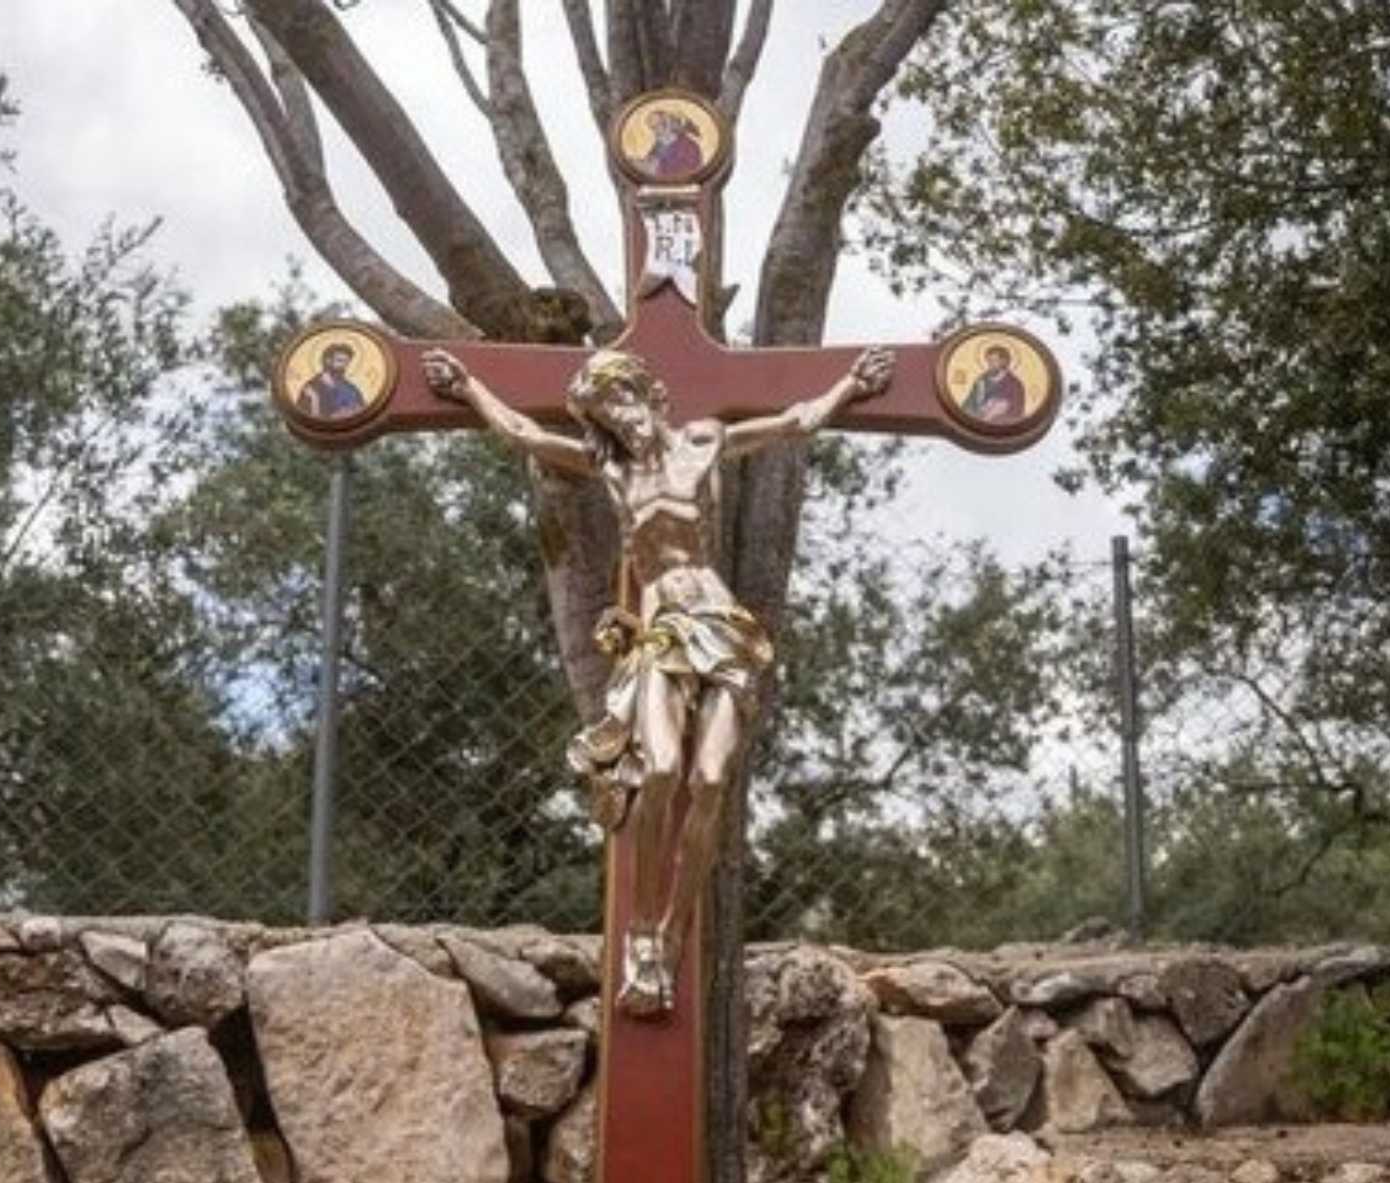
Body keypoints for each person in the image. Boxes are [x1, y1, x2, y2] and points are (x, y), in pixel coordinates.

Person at [423, 343, 895, 1016]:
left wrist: (851, 383)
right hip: (661, 634)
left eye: (619, 400)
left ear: (645, 393)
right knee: (664, 769)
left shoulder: (704, 442)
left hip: (723, 629)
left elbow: (796, 422)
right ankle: (642, 933)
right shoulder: (611, 472)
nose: (618, 419)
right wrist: (468, 387)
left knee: (709, 781)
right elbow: (525, 434)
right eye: (602, 414)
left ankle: (673, 929)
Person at [297, 341, 367, 418]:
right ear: (328, 361)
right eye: (340, 361)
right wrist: (315, 401)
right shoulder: (312, 387)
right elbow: (307, 418)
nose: (343, 366)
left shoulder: (350, 387)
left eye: (346, 363)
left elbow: (363, 409)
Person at [960, 343, 1027, 423]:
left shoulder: (1014, 384)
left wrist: (995, 412)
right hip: (976, 420)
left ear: (1004, 362)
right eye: (988, 361)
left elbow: (1017, 411)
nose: (990, 364)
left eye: (994, 361)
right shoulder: (981, 380)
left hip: (999, 423)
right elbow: (969, 402)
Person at [636, 108, 704, 178]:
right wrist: (642, 163)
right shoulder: (659, 144)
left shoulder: (689, 146)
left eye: (658, 125)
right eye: (652, 128)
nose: (656, 132)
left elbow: (690, 172)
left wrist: (656, 169)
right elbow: (650, 160)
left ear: (668, 124)